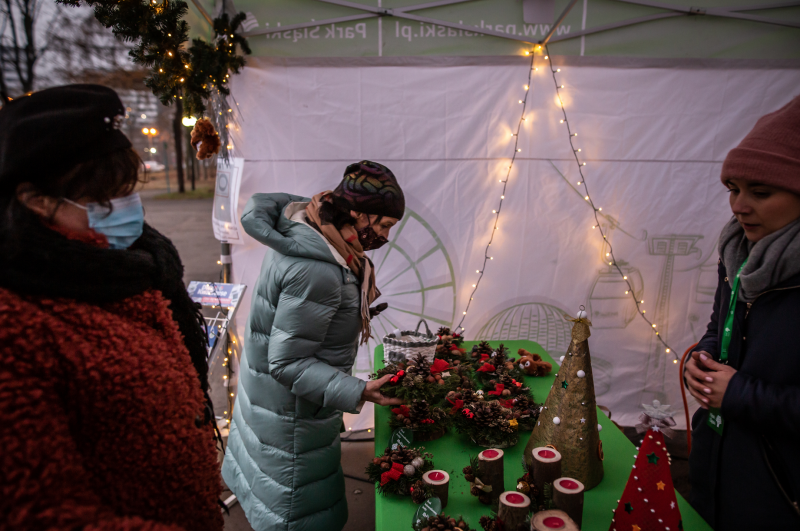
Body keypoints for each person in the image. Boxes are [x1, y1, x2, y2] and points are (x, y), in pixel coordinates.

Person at [0, 85, 223, 530]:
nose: (128, 209)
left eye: (128, 192)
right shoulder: (17, 323)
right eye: (104, 199)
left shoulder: (133, 265)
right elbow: (41, 513)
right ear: (36, 200)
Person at [222, 161, 405, 531]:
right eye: (384, 224)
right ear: (358, 214)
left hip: (276, 405)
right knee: (298, 514)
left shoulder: (310, 232)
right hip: (291, 415)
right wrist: (359, 390)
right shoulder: (318, 269)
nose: (385, 236)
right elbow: (287, 363)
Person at [685, 95, 800, 529]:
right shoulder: (738, 250)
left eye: (761, 192)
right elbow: (721, 326)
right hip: (716, 466)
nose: (738, 206)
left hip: (780, 494)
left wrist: (739, 394)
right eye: (733, 189)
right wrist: (704, 357)